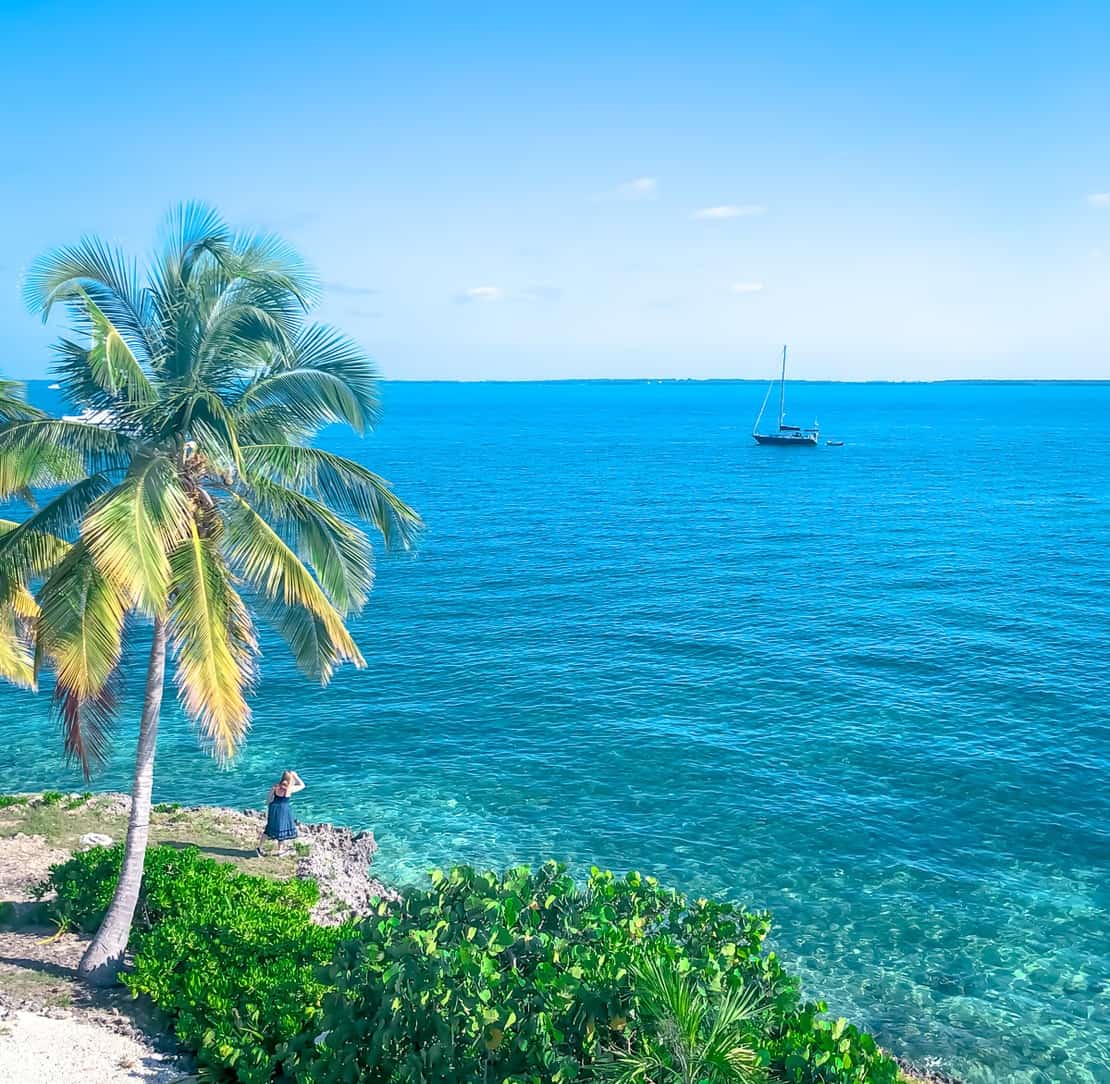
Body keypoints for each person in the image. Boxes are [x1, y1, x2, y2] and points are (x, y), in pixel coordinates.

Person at [256, 770, 305, 857]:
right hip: (283, 810)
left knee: (269, 829)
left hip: (273, 809)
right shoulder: (289, 789)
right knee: (281, 828)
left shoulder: (275, 787)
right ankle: (280, 850)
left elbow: (268, 801)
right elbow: (302, 785)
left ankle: (260, 848)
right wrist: (296, 776)